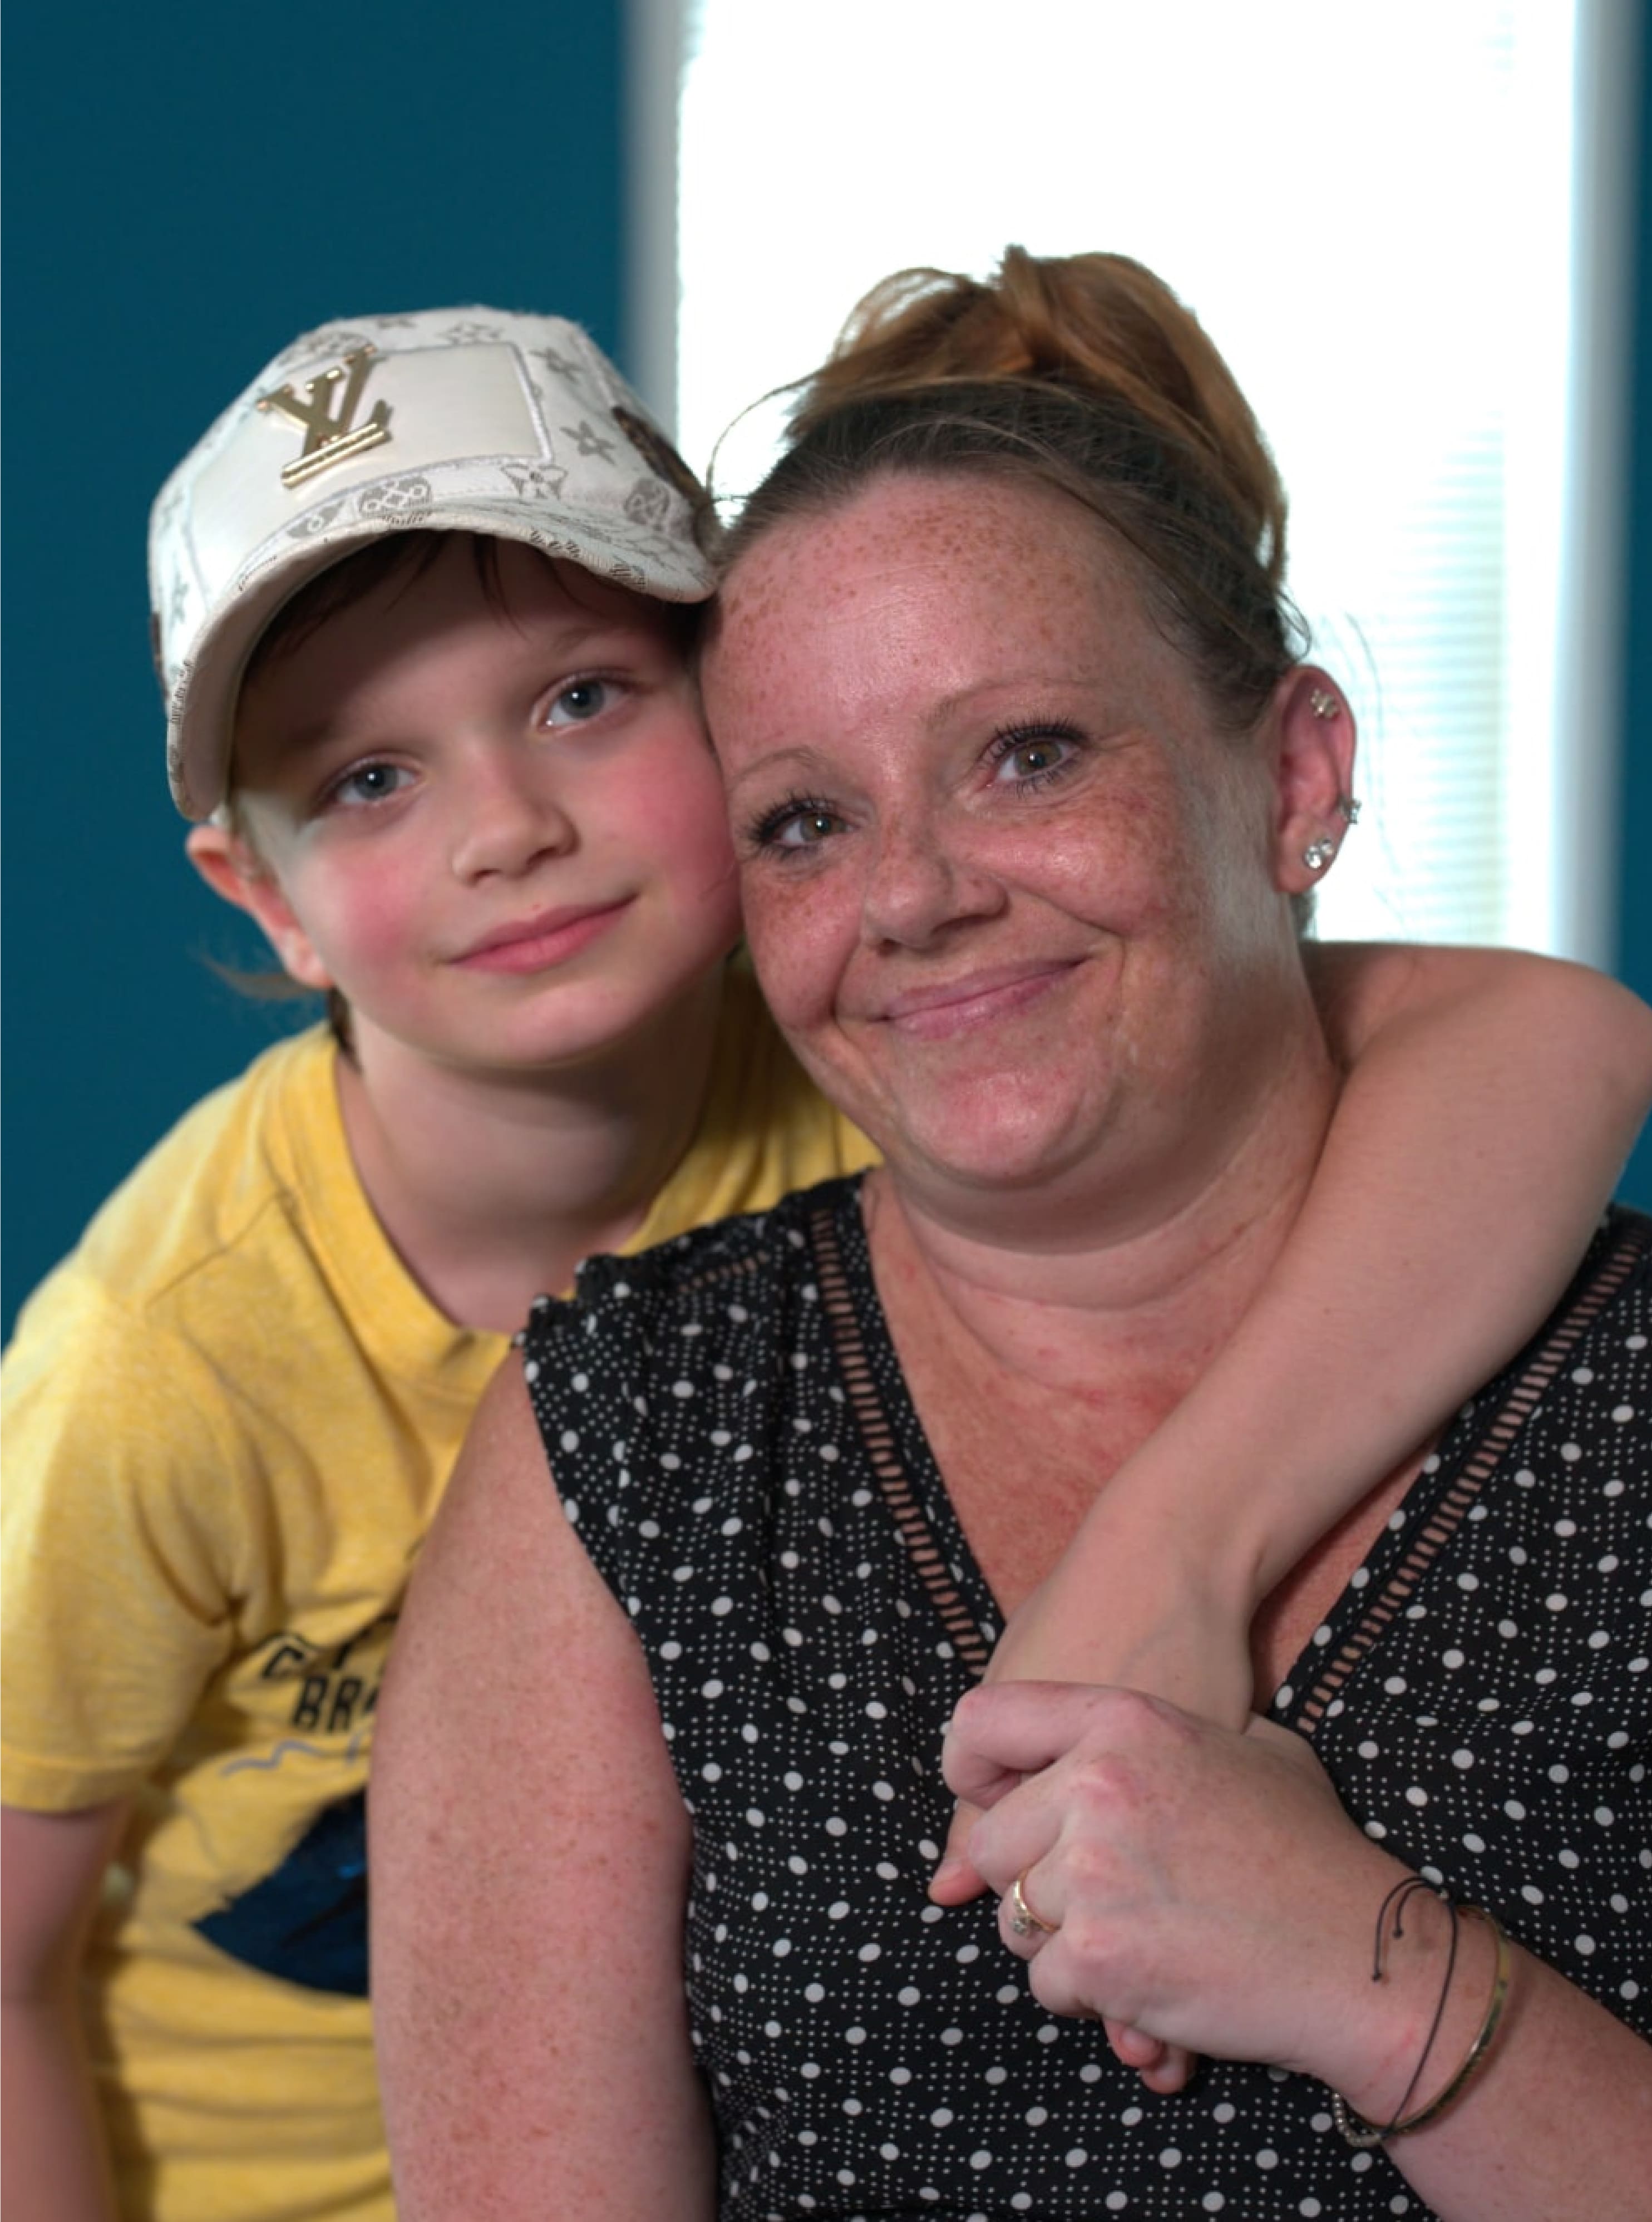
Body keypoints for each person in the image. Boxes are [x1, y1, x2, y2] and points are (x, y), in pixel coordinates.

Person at [371, 249, 1652, 2220]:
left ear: (1292, 772)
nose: (914, 895)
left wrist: (1369, 1974)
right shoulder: (633, 1450)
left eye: (1028, 753)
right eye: (803, 820)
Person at [0, 308, 876, 2222]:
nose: (511, 828)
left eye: (579, 698)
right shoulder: (160, 1368)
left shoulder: (884, 1096)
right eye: (370, 781)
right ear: (266, 896)